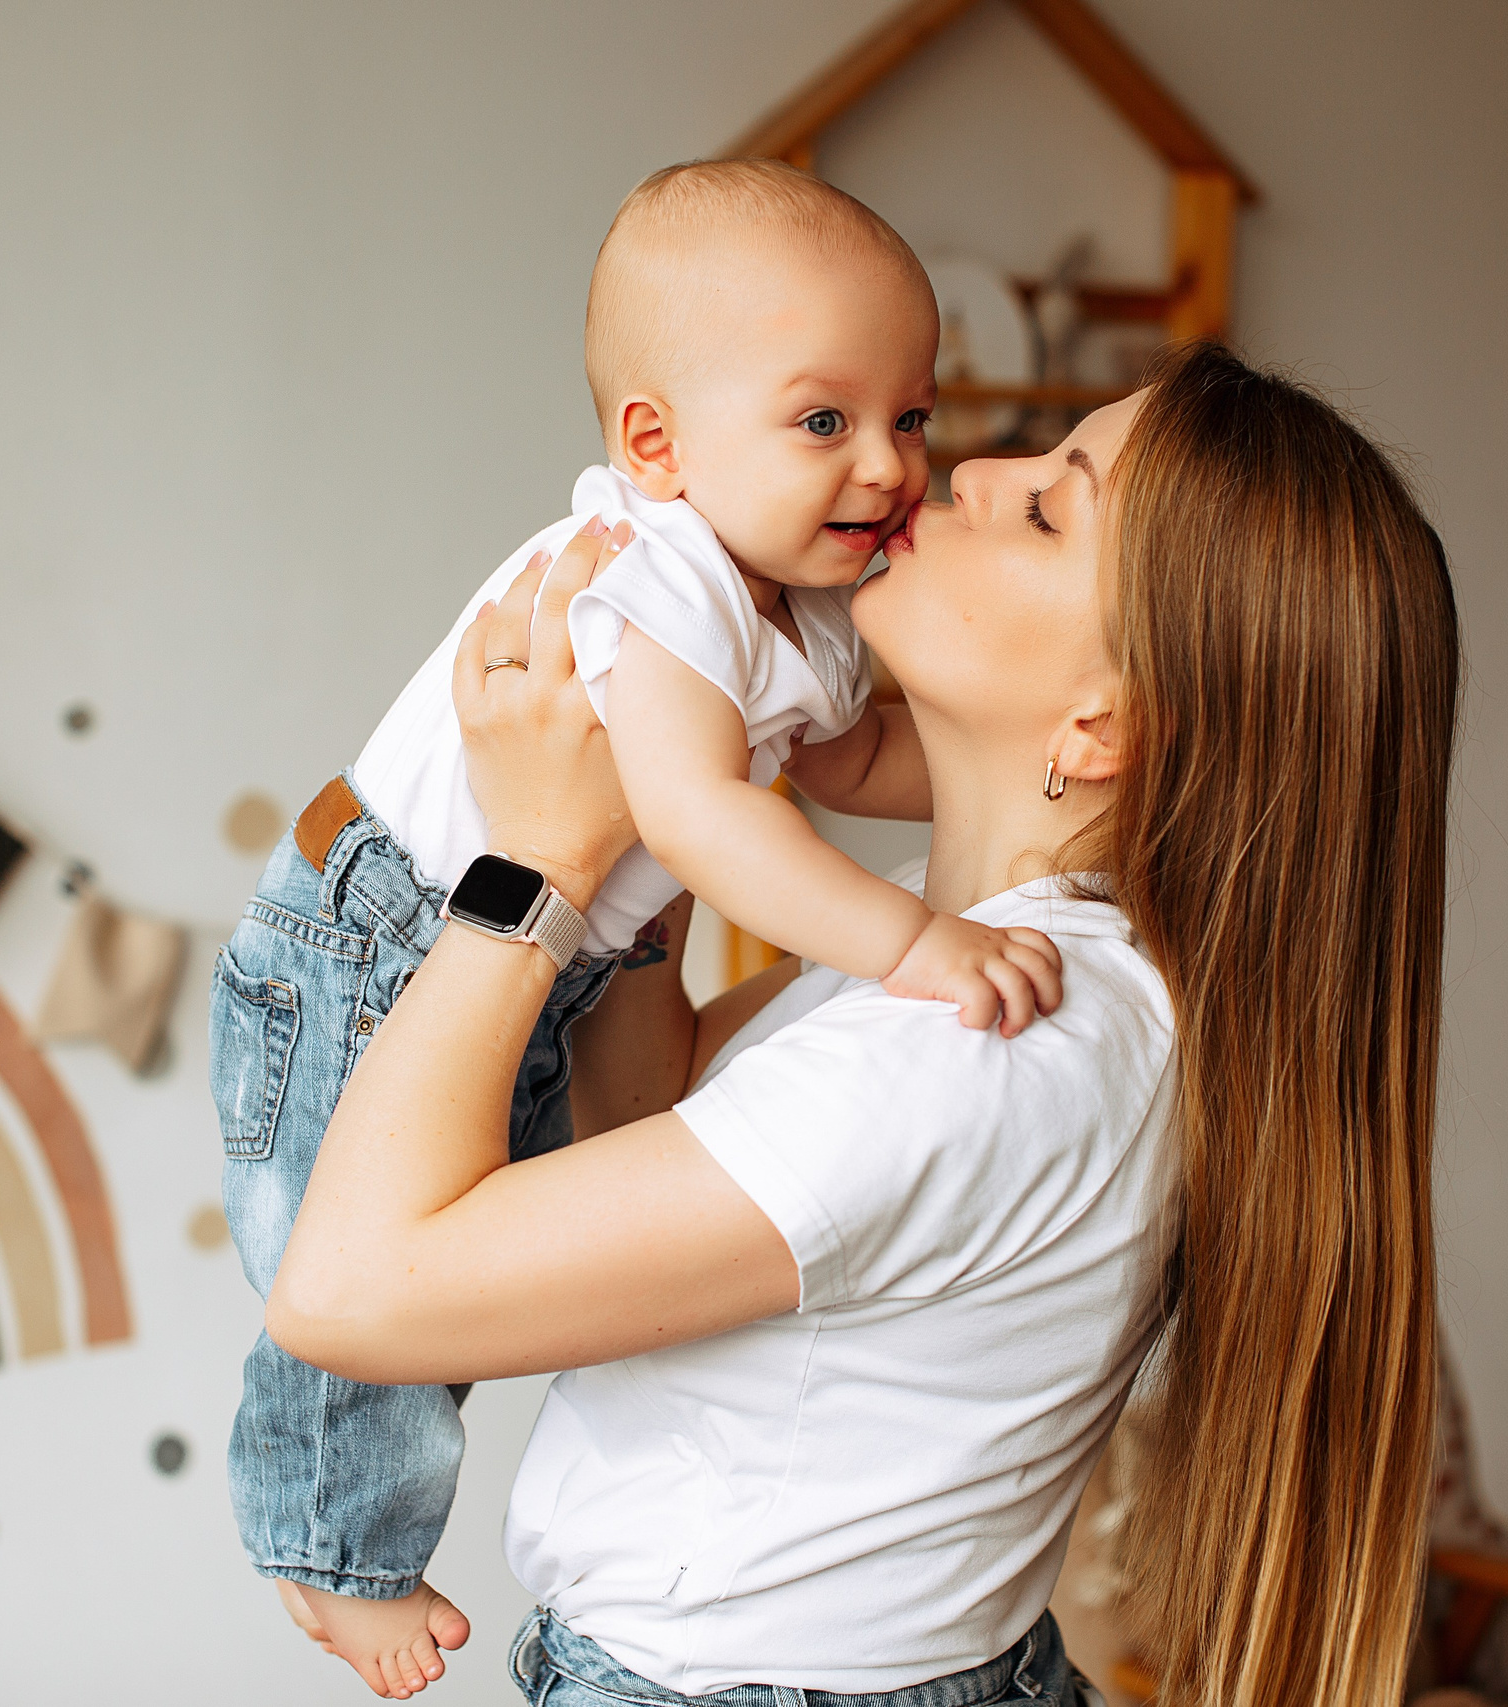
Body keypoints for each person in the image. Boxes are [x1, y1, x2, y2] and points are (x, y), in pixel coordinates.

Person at [265, 342, 1464, 1707]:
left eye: (1045, 507)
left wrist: (535, 866)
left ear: (1101, 723)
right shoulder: (958, 945)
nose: (971, 466)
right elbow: (655, 1111)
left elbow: (348, 1295)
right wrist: (661, 816)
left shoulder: (989, 1045)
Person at [212, 159, 1062, 1695]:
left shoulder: (794, 595)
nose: (890, 467)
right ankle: (333, 1555)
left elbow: (847, 760)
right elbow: (695, 817)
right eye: (826, 422)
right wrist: (916, 946)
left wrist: (1039, 750)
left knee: (480, 1253)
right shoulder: (657, 576)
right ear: (655, 446)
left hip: (560, 954)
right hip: (375, 931)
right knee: (350, 1300)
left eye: (911, 416)